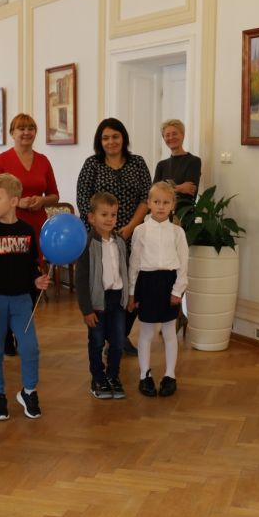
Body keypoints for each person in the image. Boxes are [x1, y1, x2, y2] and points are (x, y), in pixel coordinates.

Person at [0, 173, 51, 421]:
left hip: (22, 301)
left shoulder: (27, 231)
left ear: (14, 201)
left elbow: (32, 266)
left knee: (30, 348)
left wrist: (36, 280)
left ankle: (29, 391)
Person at [76, 118, 151, 353]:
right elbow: (83, 200)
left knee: (134, 288)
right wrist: (103, 231)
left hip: (133, 235)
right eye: (105, 138)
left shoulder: (138, 163)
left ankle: (120, 335)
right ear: (100, 141)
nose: (111, 142)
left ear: (123, 138)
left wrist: (129, 227)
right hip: (101, 239)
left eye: (115, 136)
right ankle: (106, 336)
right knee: (107, 288)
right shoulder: (92, 164)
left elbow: (146, 198)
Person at [128, 181, 189, 398]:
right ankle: (144, 375)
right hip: (147, 283)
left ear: (173, 205)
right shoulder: (140, 231)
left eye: (166, 202)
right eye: (156, 202)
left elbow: (183, 263)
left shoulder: (178, 232)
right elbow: (134, 263)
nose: (161, 206)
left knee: (169, 332)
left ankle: (170, 376)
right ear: (149, 203)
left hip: (169, 283)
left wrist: (178, 290)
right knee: (146, 332)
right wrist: (132, 292)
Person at [75, 192, 130, 400]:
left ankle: (113, 376)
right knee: (97, 342)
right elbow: (81, 280)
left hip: (117, 300)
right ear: (92, 217)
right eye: (104, 214)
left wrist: (128, 296)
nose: (109, 219)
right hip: (97, 302)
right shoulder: (87, 244)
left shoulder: (120, 242)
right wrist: (86, 309)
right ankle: (98, 378)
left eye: (113, 215)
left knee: (118, 342)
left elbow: (125, 270)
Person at [0, 114, 60, 238]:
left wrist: (43, 200)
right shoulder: (2, 160)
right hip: (8, 225)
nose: (27, 132)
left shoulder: (43, 160)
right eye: (21, 129)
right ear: (12, 133)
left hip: (38, 225)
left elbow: (54, 196)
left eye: (31, 129)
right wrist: (17, 202)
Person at [152, 119, 201, 212]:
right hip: (162, 214)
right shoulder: (161, 165)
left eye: (174, 134)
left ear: (183, 135)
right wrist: (180, 188)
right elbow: (154, 193)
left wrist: (165, 188)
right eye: (167, 135)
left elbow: (190, 191)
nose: (171, 137)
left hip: (185, 215)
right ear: (164, 138)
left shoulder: (194, 161)